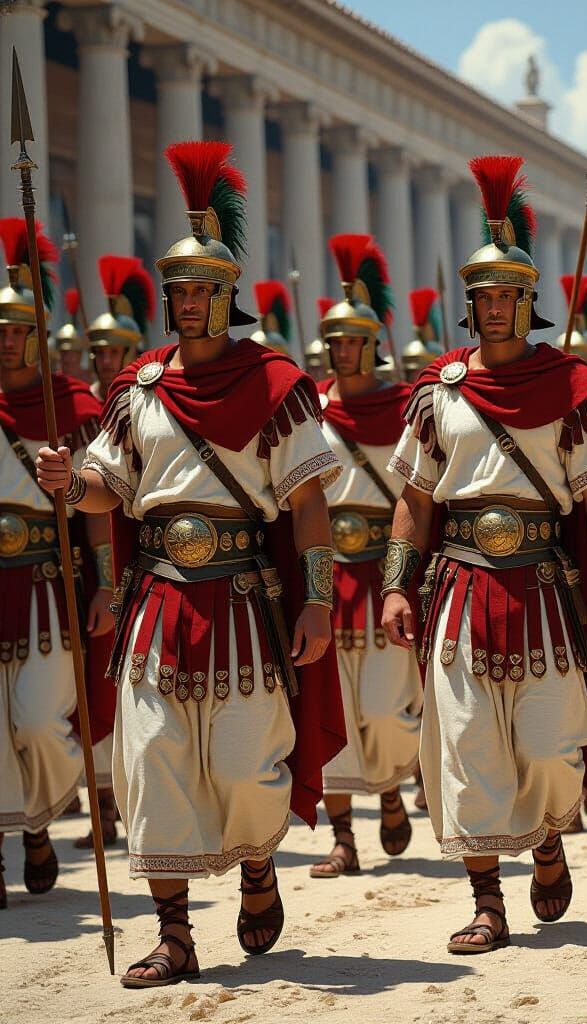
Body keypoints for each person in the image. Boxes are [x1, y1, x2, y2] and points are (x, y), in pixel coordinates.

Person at [36, 141, 345, 986]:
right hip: (159, 600)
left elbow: (310, 502)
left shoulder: (276, 381)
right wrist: (70, 484)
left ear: (228, 295)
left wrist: (318, 602)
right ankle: (174, 932)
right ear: (169, 298)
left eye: (206, 288)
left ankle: (254, 866)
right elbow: (108, 489)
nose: (192, 300)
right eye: (181, 289)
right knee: (154, 761)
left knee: (247, 766)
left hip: (245, 599)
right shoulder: (137, 387)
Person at [382, 155, 587, 953]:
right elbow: (416, 498)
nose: (493, 308)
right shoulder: (440, 390)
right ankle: (487, 900)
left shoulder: (573, 386)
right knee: (466, 745)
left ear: (528, 303)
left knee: (549, 746)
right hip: (459, 583)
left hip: (542, 587)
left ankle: (551, 837)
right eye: (483, 297)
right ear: (471, 305)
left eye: (507, 296)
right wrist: (396, 586)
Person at [308, 235, 422, 879]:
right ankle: (344, 837)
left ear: (372, 344)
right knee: (334, 710)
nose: (340, 349)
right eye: (333, 339)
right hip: (330, 574)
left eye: (350, 339)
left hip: (384, 574)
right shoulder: (312, 410)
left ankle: (389, 790)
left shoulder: (405, 409)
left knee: (383, 708)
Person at [0, 218, 105, 907]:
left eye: (16, 329)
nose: (6, 340)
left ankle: (41, 811)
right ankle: (15, 830)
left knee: (38, 721)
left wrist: (109, 588)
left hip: (45, 583)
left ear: (37, 335)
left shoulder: (73, 406)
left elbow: (100, 505)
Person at [74, 253, 156, 850]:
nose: (104, 360)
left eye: (112, 351)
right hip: (78, 562)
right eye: (98, 352)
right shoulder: (86, 407)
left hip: (146, 559)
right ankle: (101, 799)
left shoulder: (145, 400)